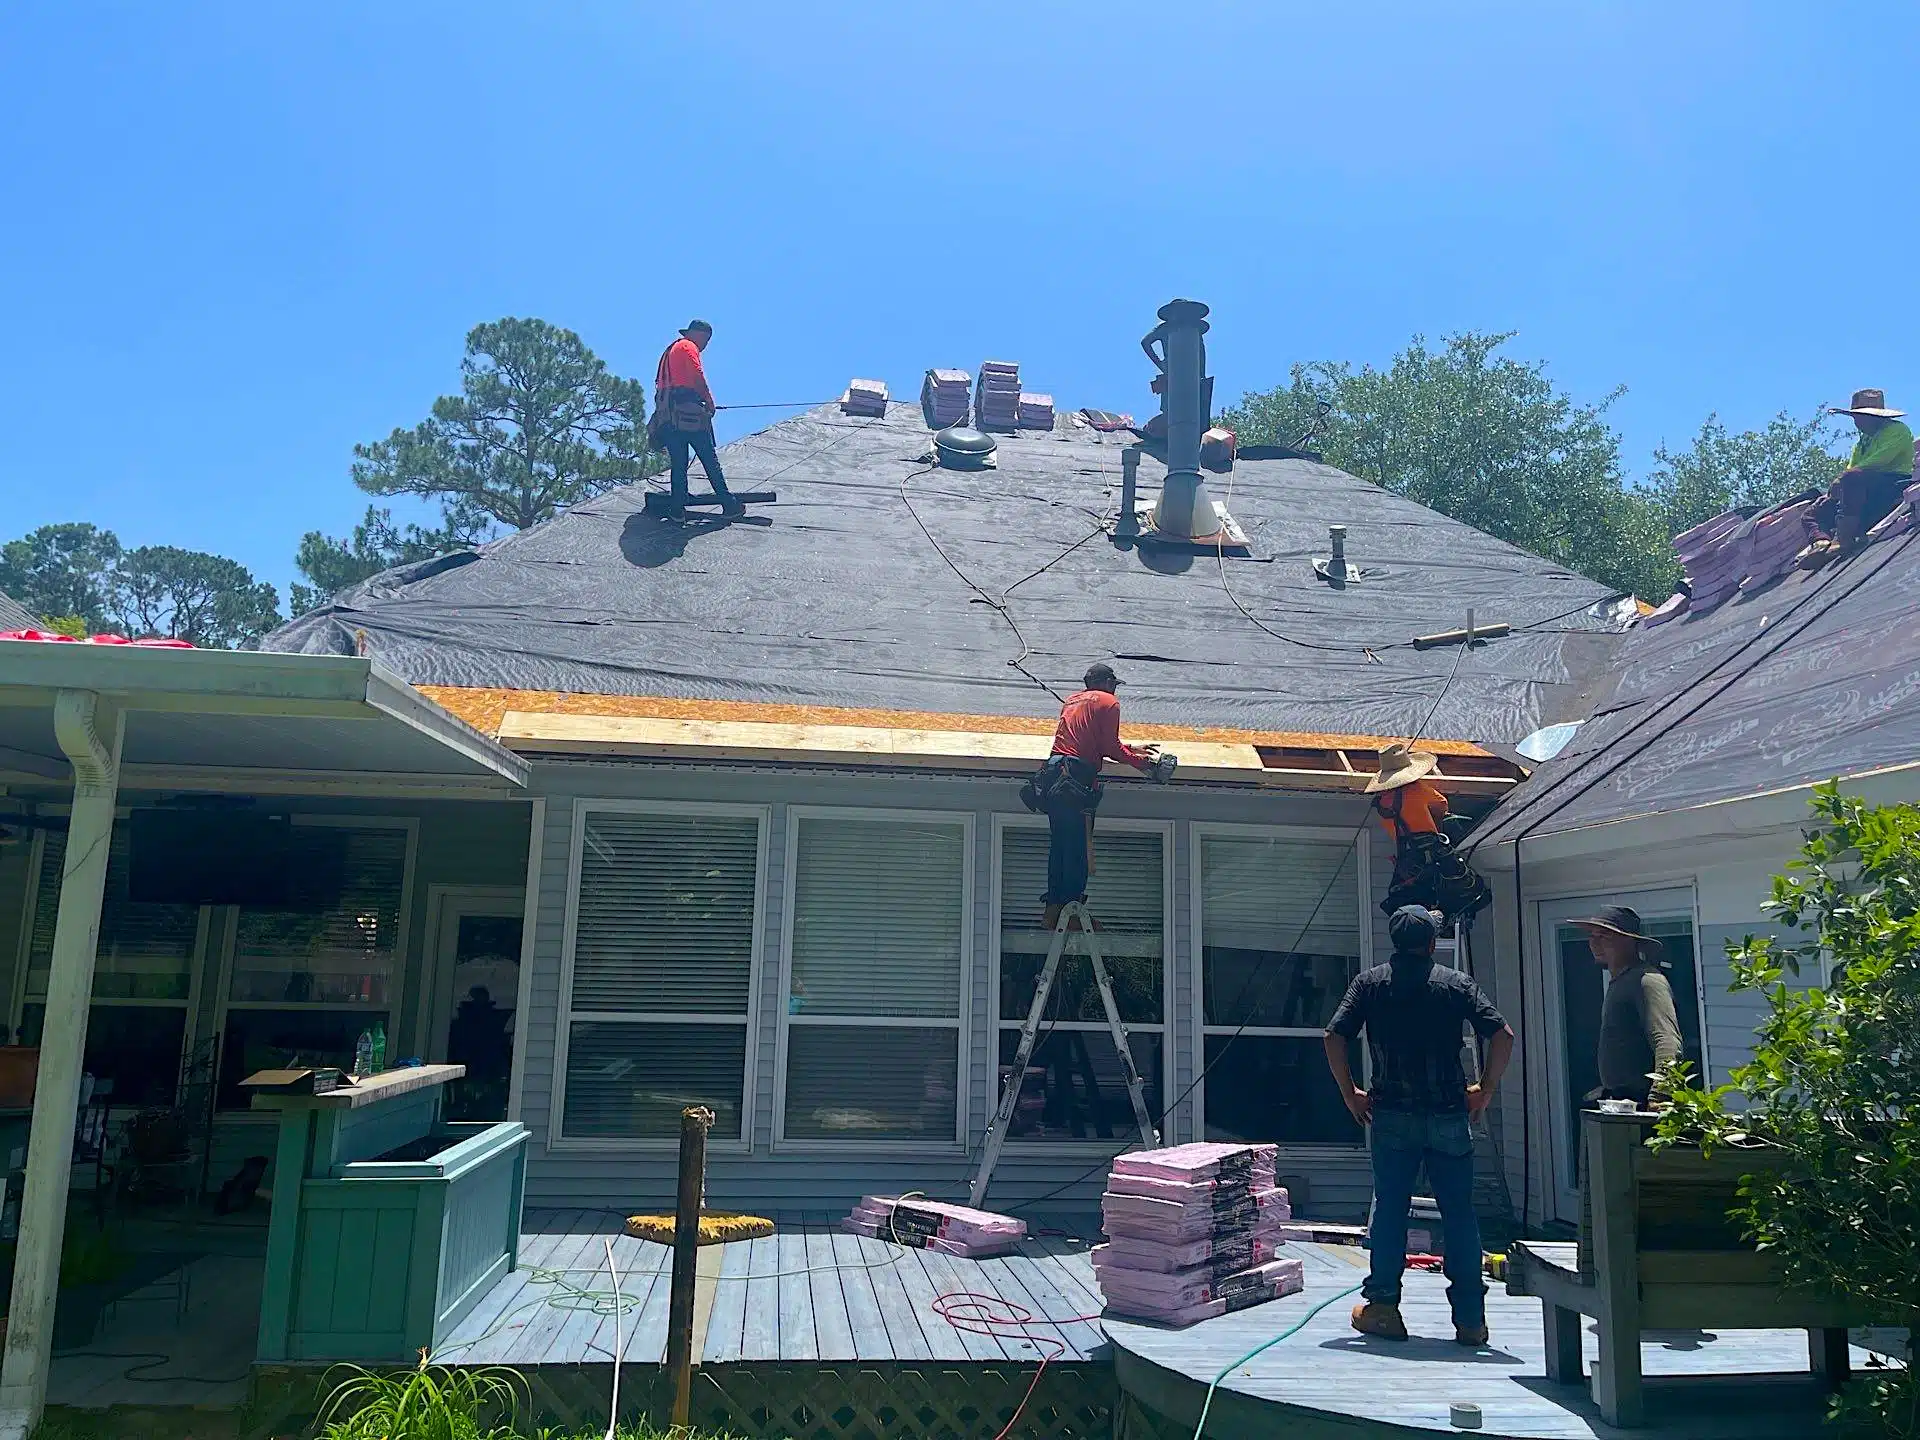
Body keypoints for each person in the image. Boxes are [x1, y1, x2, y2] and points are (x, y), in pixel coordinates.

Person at [1324, 904, 1515, 1345]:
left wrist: (1350, 1092)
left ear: (1395, 942)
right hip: (1449, 1113)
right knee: (1459, 1214)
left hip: (1391, 1114)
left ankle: (1384, 1309)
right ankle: (1470, 1320)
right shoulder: (1455, 984)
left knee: (1390, 1210)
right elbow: (1502, 1035)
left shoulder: (1370, 984)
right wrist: (1484, 1090)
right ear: (1431, 943)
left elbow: (1334, 1036)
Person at [1029, 663, 1160, 929]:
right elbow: (1110, 748)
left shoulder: (1072, 700)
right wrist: (1144, 765)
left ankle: (1052, 910)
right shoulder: (1109, 702)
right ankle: (1072, 912)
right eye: (1114, 683)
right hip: (1075, 779)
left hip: (1054, 774)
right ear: (1106, 682)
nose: (1115, 688)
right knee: (1078, 848)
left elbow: (1092, 740)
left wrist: (1132, 748)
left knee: (1061, 846)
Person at [1366, 742, 1490, 923]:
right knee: (1468, 888)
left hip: (1410, 862)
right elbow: (1442, 805)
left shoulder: (1382, 804)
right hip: (1435, 852)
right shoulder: (1418, 790)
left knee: (1421, 897)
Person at [1575, 905, 1682, 1107]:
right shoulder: (1619, 981)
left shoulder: (1646, 980)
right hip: (1621, 1102)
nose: (1594, 943)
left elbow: (1667, 1040)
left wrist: (1661, 1096)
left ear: (1630, 941)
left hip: (1642, 1104)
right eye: (1592, 936)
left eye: (1604, 937)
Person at [1803, 388, 1914, 566]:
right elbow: (1851, 468)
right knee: (1812, 513)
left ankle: (1843, 538)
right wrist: (1834, 493)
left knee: (1851, 478)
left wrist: (1844, 479)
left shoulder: (1897, 430)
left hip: (1891, 483)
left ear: (1876, 416)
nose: (1858, 422)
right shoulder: (1862, 442)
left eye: (1862, 417)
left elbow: (1880, 460)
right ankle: (1820, 543)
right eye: (1856, 417)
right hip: (1860, 489)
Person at [652, 319, 742, 517]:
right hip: (688, 412)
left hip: (668, 414)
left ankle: (677, 509)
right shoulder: (688, 346)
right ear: (699, 334)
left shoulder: (670, 351)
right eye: (707, 339)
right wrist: (709, 401)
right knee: (709, 458)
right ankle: (729, 504)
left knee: (679, 462)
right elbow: (696, 374)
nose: (706, 345)